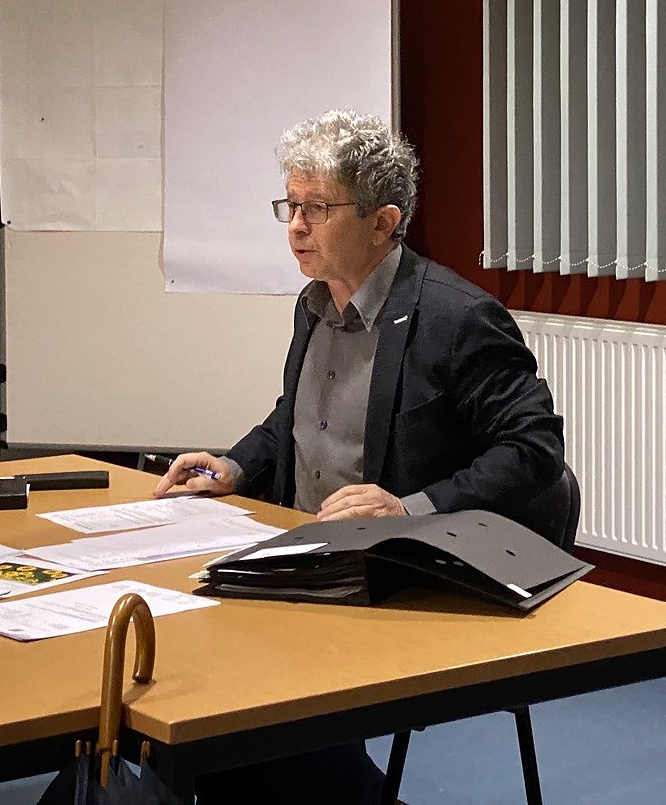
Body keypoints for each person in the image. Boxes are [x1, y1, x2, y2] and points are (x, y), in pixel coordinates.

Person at [154, 109, 566, 804]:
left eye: (318, 208)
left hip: (399, 574)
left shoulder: (456, 318)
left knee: (232, 719)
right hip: (302, 558)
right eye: (290, 206)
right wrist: (238, 466)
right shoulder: (314, 304)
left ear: (383, 222)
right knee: (187, 695)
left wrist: (408, 508)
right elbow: (297, 417)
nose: (296, 226)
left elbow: (534, 448)